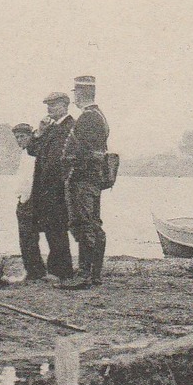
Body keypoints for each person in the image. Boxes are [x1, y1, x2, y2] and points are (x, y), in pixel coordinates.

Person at [62, 74, 110, 290]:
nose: (75, 98)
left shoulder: (88, 117)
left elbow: (83, 151)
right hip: (93, 178)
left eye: (76, 93)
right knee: (92, 224)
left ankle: (85, 274)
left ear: (81, 94)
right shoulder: (99, 116)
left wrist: (70, 165)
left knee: (84, 225)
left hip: (82, 178)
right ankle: (94, 274)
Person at [25, 92, 79, 282]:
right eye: (48, 105)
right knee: (51, 228)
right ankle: (57, 269)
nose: (49, 109)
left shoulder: (71, 127)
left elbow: (58, 160)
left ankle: (61, 270)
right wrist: (39, 132)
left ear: (65, 105)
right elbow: (32, 150)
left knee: (57, 229)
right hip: (45, 188)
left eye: (54, 105)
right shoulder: (50, 128)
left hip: (57, 188)